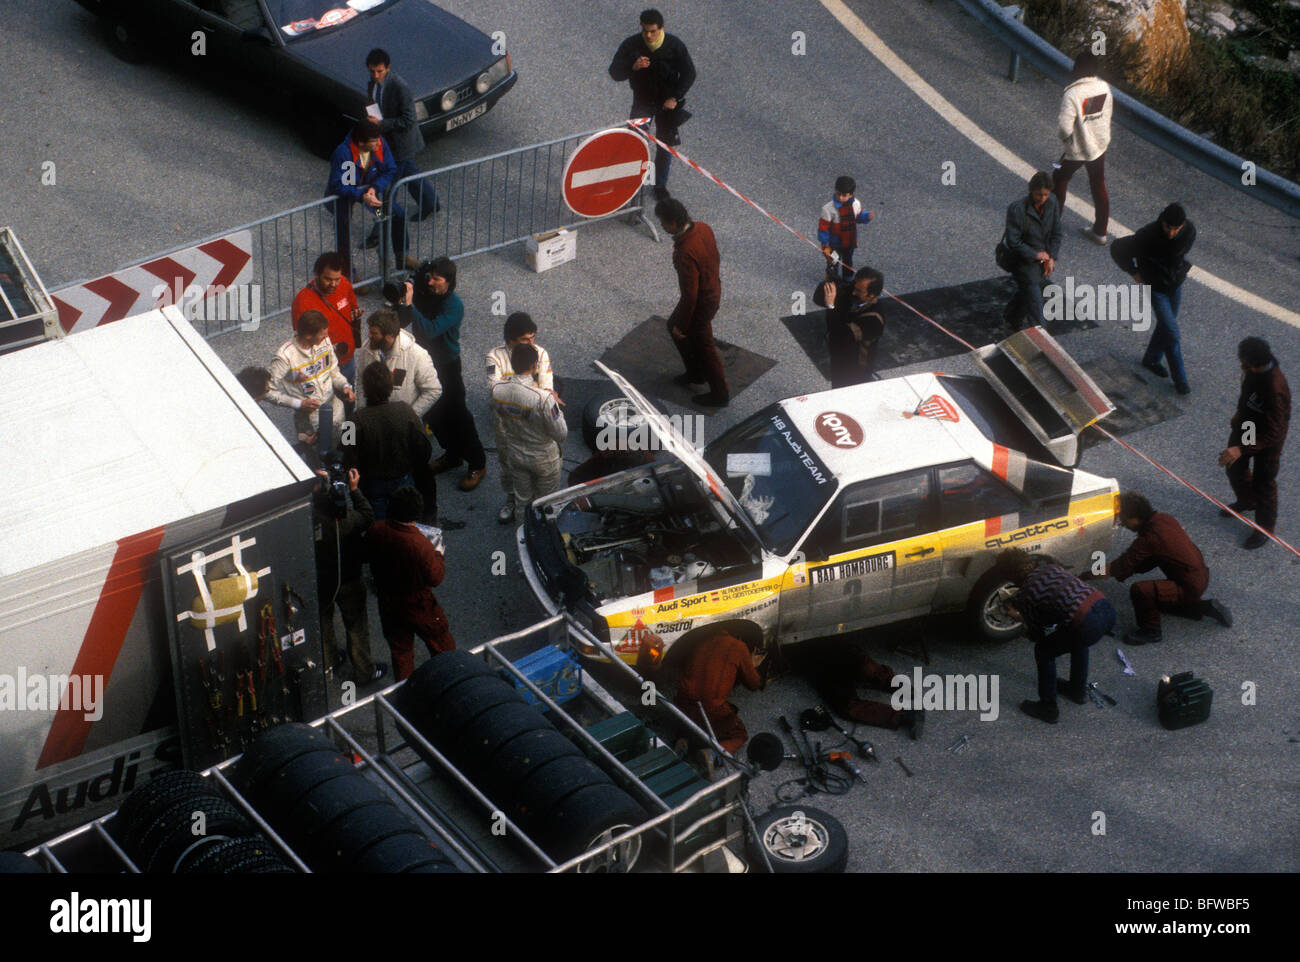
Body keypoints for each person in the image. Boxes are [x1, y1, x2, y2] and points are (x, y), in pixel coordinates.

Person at [1085, 492, 1231, 644]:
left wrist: (1084, 575)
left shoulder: (1149, 538)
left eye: (1123, 521)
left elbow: (1115, 567)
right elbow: (1152, 558)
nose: (1123, 525)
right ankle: (1206, 607)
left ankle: (1151, 631)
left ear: (1135, 518)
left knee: (1141, 591)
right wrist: (1129, 570)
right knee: (1162, 603)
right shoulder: (1164, 519)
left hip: (1189, 585)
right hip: (1200, 575)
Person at [399, 256, 488, 491]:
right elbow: (403, 320)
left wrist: (410, 305)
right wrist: (403, 303)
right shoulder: (425, 293)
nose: (430, 283)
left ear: (449, 281)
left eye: (436, 279)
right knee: (434, 413)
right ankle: (452, 454)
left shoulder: (454, 305)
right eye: (430, 278)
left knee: (459, 416)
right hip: (425, 362)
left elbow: (430, 330)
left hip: (447, 366)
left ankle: (478, 463)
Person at [998, 549, 1117, 724]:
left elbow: (1037, 634)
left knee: (1044, 651)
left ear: (1011, 576)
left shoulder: (1027, 594)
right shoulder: (1051, 568)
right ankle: (1077, 690)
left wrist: (1019, 618)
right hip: (1105, 610)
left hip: (1087, 624)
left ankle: (1048, 708)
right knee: (1076, 636)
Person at [637, 626, 763, 769]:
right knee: (739, 734)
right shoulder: (739, 647)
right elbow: (754, 684)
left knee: (694, 715)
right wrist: (752, 664)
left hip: (683, 702)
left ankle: (684, 739)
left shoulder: (703, 640)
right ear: (741, 638)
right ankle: (712, 756)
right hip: (710, 709)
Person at [365, 485, 455, 681]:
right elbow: (436, 578)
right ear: (416, 513)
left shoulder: (376, 530)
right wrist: (438, 553)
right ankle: (451, 682)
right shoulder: (420, 544)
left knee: (401, 652)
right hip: (418, 604)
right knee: (442, 646)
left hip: (388, 601)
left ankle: (405, 692)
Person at [608, 8, 696, 199]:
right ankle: (632, 185)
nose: (648, 35)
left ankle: (659, 187)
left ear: (662, 28)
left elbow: (690, 73)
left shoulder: (674, 46)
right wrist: (633, 67)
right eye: (645, 30)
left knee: (665, 145)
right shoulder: (632, 45)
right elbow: (614, 72)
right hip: (643, 102)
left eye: (653, 31)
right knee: (636, 143)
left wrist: (675, 98)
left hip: (667, 104)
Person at [1110, 203, 1196, 395]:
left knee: (1166, 327)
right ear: (1161, 222)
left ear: (1182, 226)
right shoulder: (1147, 235)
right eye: (1168, 228)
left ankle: (1151, 359)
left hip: (1175, 284)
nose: (1172, 233)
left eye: (1176, 229)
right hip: (1156, 287)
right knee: (1171, 332)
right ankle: (1180, 379)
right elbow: (1117, 248)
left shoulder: (1189, 231)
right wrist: (1133, 271)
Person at [312, 465, 386, 684]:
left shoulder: (309, 519)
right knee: (356, 626)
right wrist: (355, 490)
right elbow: (368, 514)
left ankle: (330, 661)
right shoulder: (346, 520)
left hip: (321, 581)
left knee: (324, 623)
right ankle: (364, 671)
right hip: (349, 578)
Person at [654, 198, 728, 406]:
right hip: (712, 290)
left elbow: (690, 295)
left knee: (704, 344)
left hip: (702, 302)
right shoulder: (704, 228)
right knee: (674, 327)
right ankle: (695, 373)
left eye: (663, 222)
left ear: (674, 224)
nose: (661, 226)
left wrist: (682, 326)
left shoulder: (685, 252)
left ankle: (720, 393)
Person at [1219, 336, 1291, 549]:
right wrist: (1240, 414)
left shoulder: (1275, 387)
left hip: (1267, 439)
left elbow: (1274, 432)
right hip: (1249, 426)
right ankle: (1247, 500)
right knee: (1235, 468)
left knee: (1264, 483)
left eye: (1244, 360)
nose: (1241, 364)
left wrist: (1240, 448)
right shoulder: (1253, 370)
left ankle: (1264, 529)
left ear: (1253, 361)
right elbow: (1247, 394)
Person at [486, 312, 559, 522]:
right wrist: (527, 391)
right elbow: (493, 389)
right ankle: (512, 499)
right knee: (508, 464)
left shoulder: (540, 353)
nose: (531, 343)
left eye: (533, 337)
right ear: (510, 339)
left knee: (540, 468)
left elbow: (547, 388)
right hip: (506, 425)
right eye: (525, 339)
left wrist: (517, 392)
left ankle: (538, 505)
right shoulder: (495, 357)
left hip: (535, 422)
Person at [326, 119, 419, 277]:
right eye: (374, 142)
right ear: (361, 143)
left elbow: (389, 169)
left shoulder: (379, 142)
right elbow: (338, 185)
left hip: (370, 193)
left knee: (393, 214)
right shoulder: (343, 153)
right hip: (344, 196)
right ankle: (349, 273)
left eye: (378, 139)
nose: (378, 144)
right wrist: (361, 196)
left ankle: (401, 255)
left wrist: (374, 189)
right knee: (344, 229)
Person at [342, 361, 433, 521]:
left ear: (365, 389)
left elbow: (346, 454)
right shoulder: (406, 411)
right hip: (403, 478)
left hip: (371, 485)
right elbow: (424, 447)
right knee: (406, 523)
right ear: (390, 387)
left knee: (378, 528)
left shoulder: (353, 421)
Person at [363, 49, 438, 231]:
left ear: (388, 68)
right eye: (372, 71)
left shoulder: (399, 87)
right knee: (410, 175)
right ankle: (430, 202)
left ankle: (379, 229)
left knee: (385, 190)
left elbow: (408, 120)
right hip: (388, 143)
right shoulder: (372, 84)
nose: (376, 75)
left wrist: (381, 124)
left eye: (379, 71)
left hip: (400, 145)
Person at [266, 310, 356, 455]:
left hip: (336, 412)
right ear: (308, 335)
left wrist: (345, 386)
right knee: (316, 459)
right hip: (309, 421)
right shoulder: (284, 357)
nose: (327, 337)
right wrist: (298, 404)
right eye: (322, 334)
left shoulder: (324, 342)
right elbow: (266, 391)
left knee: (343, 450)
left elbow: (333, 371)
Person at [1053, 50, 1113, 245]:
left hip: (1077, 149)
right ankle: (1100, 231)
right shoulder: (1103, 86)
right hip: (1098, 146)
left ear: (1076, 68)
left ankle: (1052, 225)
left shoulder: (1073, 93)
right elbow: (1106, 115)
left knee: (1059, 179)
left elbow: (1064, 127)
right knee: (1098, 184)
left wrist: (1068, 142)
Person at [806, 641, 923, 738]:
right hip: (827, 647)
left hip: (817, 659)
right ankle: (895, 686)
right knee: (856, 660)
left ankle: (903, 714)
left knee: (848, 706)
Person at [1000, 171, 1062, 331]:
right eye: (1038, 194)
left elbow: (1056, 232)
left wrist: (1051, 258)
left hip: (1041, 262)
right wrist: (1036, 254)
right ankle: (1042, 338)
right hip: (1022, 262)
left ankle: (1011, 317)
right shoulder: (1017, 209)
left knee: (1027, 293)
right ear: (1031, 191)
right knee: (1037, 309)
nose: (1042, 199)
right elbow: (1013, 241)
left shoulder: (1053, 202)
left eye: (1046, 195)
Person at [292, 252, 364, 383]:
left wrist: (355, 315)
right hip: (323, 366)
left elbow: (353, 308)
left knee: (349, 393)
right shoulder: (303, 301)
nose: (333, 284)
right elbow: (302, 339)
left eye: (337, 279)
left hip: (347, 357)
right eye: (328, 279)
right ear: (317, 274)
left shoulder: (345, 284)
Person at [813, 266, 885, 388]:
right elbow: (819, 299)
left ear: (872, 295)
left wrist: (831, 306)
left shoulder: (874, 321)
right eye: (854, 286)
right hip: (840, 360)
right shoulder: (856, 290)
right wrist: (830, 282)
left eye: (859, 291)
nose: (853, 292)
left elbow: (839, 334)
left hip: (855, 371)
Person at [817, 175, 873, 282]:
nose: (841, 198)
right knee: (833, 261)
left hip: (849, 240)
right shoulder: (828, 209)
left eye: (844, 195)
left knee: (848, 261)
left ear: (851, 194)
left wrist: (866, 216)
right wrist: (825, 243)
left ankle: (847, 279)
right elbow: (823, 228)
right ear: (835, 191)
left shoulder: (856, 204)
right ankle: (832, 280)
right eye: (838, 194)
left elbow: (858, 217)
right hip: (835, 242)